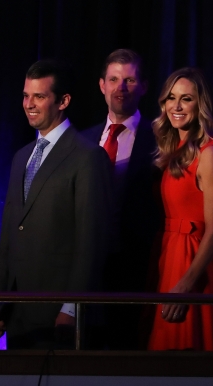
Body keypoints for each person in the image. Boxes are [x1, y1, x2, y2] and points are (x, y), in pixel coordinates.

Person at [0, 59, 111, 349]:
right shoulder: (22, 156)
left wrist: (71, 308)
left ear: (63, 101)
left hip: (58, 317)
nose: (29, 104)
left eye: (39, 96)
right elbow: (9, 234)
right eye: (26, 96)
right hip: (17, 314)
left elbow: (90, 244)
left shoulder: (87, 157)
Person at [81, 49, 161, 349]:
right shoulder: (82, 140)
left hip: (137, 271)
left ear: (144, 86)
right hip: (89, 271)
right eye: (114, 79)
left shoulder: (160, 139)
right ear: (102, 85)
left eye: (129, 79)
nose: (121, 87)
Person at [147, 67, 213, 351]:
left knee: (181, 354)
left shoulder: (211, 153)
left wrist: (186, 284)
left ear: (200, 104)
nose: (176, 106)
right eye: (171, 98)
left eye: (186, 99)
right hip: (167, 255)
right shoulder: (173, 149)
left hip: (189, 263)